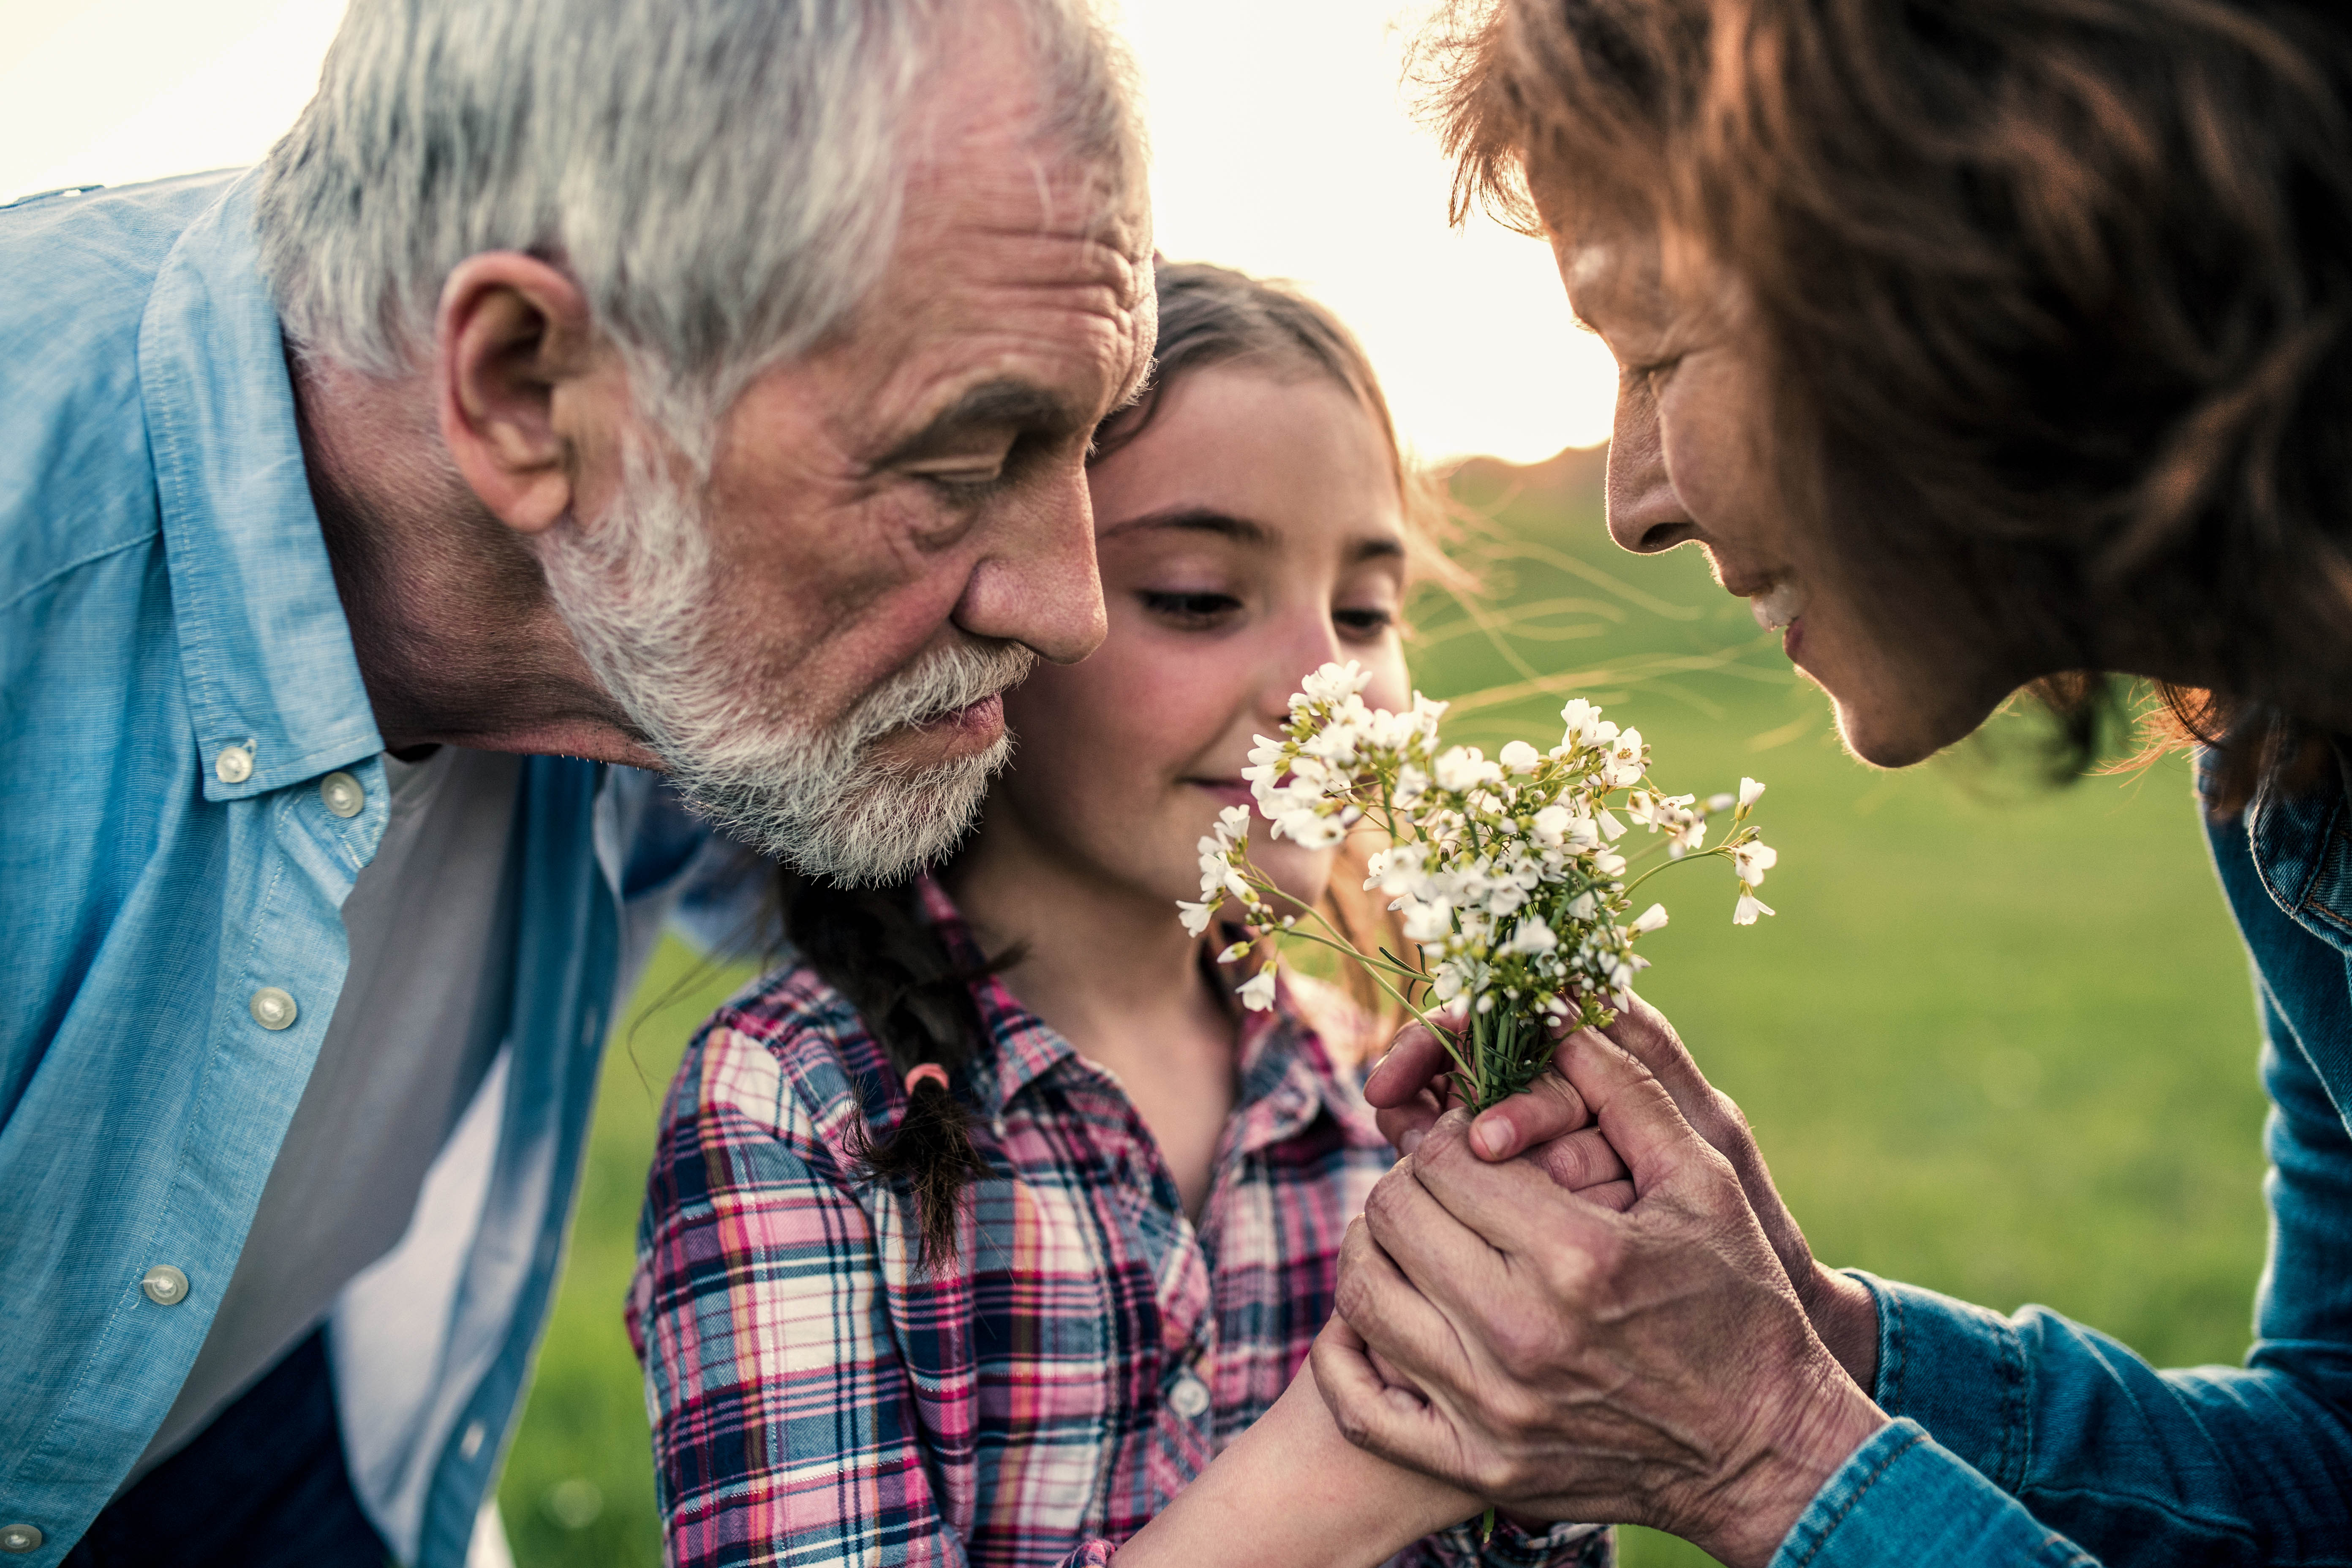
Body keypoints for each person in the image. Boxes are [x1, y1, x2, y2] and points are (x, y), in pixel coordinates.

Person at [0, 1, 1149, 1563]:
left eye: (1089, 439)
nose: (1065, 603)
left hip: (259, 1426)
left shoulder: (666, 596)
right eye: (959, 466)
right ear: (527, 389)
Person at [1310, 3, 2352, 1566]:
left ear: (1967, 256)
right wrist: (1825, 1345)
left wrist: (1763, 1451)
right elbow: (2334, 1464)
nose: (1630, 502)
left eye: (1660, 350)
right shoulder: (2286, 769)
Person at [629, 263, 1611, 1568]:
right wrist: (1373, 1455)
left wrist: (1548, 1437)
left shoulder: (1389, 1103)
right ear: (996, 623)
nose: (1331, 690)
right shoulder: (793, 1108)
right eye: (1200, 597)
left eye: (1366, 612)